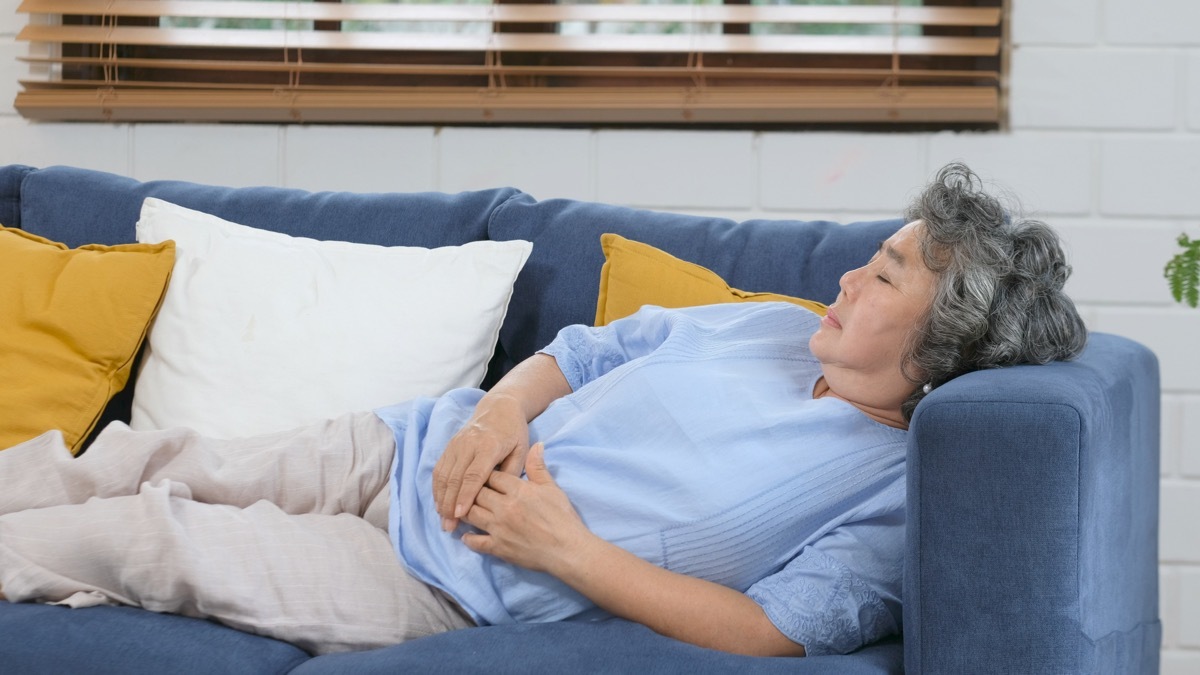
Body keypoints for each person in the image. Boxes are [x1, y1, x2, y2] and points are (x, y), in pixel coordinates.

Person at [0, 163, 1087, 658]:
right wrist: (488, 418)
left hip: (449, 581)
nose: (851, 278)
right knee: (139, 458)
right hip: (408, 448)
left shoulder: (893, 492)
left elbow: (771, 631)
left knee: (147, 534)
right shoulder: (767, 323)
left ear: (938, 346)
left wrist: (567, 552)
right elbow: (577, 351)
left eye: (886, 276)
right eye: (874, 255)